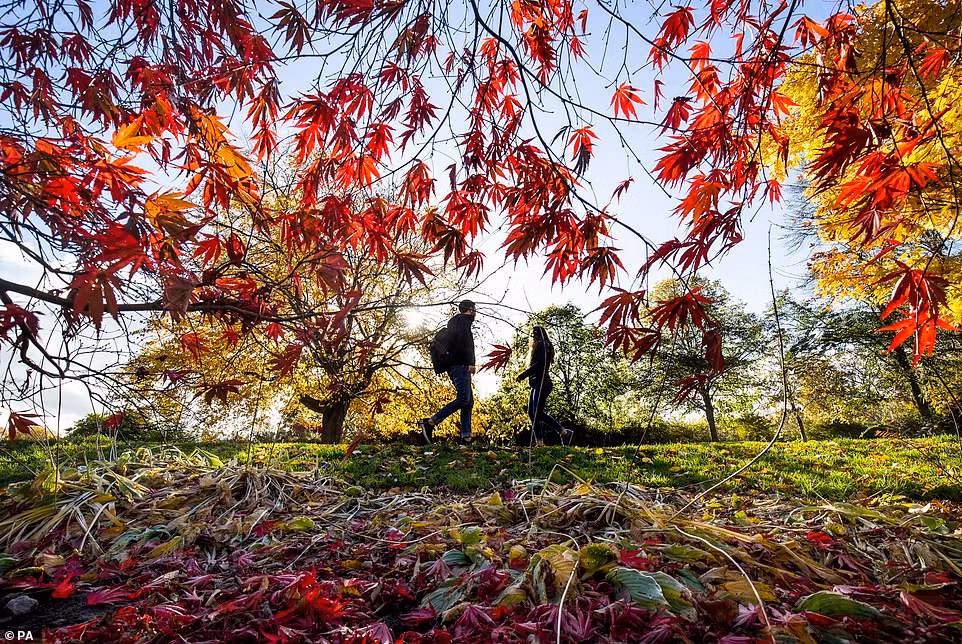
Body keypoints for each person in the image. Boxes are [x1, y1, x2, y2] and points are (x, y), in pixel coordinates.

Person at [418, 300, 477, 445]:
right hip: (460, 365)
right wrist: (471, 362)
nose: (475, 312)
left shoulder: (456, 323)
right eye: (475, 309)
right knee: (464, 399)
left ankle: (466, 437)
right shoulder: (463, 321)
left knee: (468, 402)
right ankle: (430, 422)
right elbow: (466, 343)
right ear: (470, 309)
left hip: (455, 365)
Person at [516, 325, 572, 447]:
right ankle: (540, 441)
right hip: (537, 384)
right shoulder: (544, 345)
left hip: (542, 382)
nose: (531, 338)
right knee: (532, 412)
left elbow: (540, 364)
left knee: (537, 412)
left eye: (532, 335)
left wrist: (523, 375)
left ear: (536, 335)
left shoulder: (543, 345)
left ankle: (563, 432)